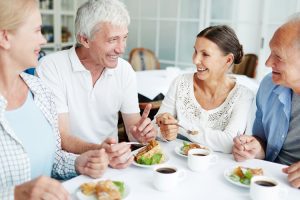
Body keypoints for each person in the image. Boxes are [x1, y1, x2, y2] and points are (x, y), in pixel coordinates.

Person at [0, 0, 109, 199]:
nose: (43, 40)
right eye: (36, 31)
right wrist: (14, 194)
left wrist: (78, 163)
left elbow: (52, 156)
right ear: (5, 37)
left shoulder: (40, 90)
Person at [36, 0, 156, 169]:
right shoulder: (51, 67)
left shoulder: (125, 70)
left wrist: (141, 134)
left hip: (112, 166)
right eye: (113, 40)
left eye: (124, 38)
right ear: (84, 39)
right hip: (70, 168)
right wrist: (101, 150)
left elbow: (133, 130)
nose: (121, 49)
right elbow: (61, 137)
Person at [155, 25, 254, 153]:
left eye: (205, 54)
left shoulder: (243, 95)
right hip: (177, 164)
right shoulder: (181, 82)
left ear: (228, 60)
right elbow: (156, 126)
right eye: (195, 51)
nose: (196, 60)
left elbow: (229, 143)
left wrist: (179, 127)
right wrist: (165, 132)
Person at [232, 13, 300, 188]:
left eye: (278, 56)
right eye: (270, 51)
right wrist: (256, 148)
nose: (268, 63)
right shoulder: (269, 85)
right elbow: (263, 141)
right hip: (265, 180)